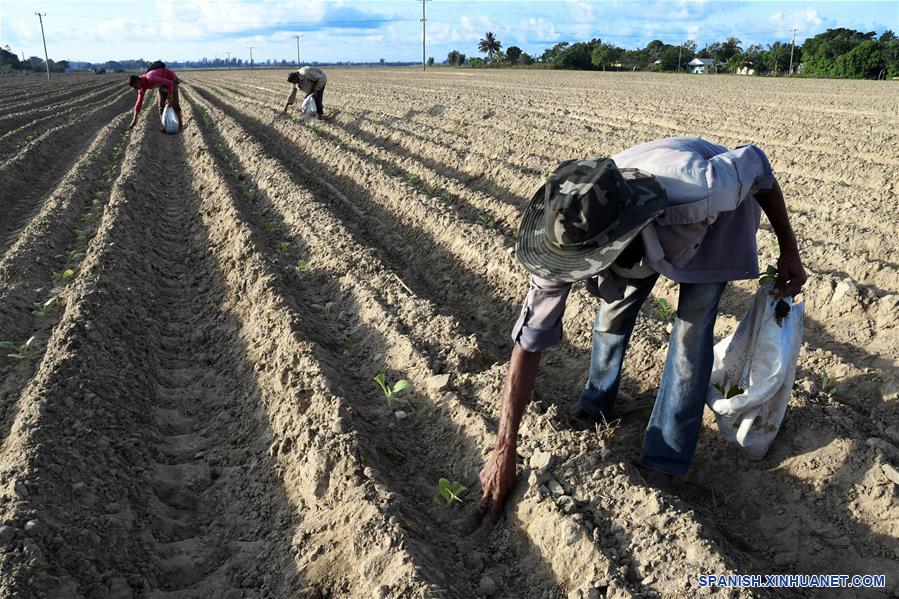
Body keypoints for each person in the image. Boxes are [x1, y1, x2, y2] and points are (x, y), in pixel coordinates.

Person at [478, 137, 807, 518]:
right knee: (612, 311)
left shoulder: (703, 185)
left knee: (689, 335)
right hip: (641, 225)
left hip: (710, 222)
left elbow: (758, 165)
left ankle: (666, 457)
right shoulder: (570, 224)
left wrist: (789, 249)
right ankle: (597, 402)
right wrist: (504, 449)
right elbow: (530, 340)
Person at [128, 65, 181, 131]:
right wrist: (135, 119)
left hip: (171, 79)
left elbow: (170, 83)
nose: (135, 88)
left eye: (135, 86)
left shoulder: (150, 78)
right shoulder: (142, 87)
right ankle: (165, 126)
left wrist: (169, 97)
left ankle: (180, 126)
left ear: (138, 81)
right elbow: (139, 102)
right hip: (162, 84)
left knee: (174, 104)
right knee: (161, 106)